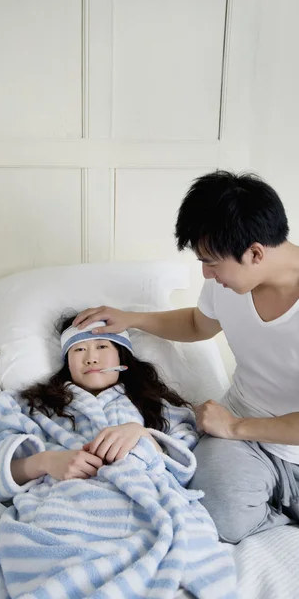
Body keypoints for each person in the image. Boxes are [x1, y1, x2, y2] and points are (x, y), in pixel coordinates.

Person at [74, 170, 299, 545]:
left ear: (255, 252)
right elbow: (198, 324)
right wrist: (133, 318)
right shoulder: (229, 284)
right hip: (242, 440)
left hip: (245, 430)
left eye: (211, 262)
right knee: (221, 517)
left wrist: (234, 427)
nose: (206, 274)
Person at [0, 314, 236, 598]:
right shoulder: (30, 405)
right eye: (79, 349)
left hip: (148, 500)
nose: (91, 358)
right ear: (66, 360)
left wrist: (143, 436)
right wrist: (45, 461)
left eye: (101, 347)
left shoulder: (157, 406)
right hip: (66, 503)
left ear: (122, 355)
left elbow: (189, 464)